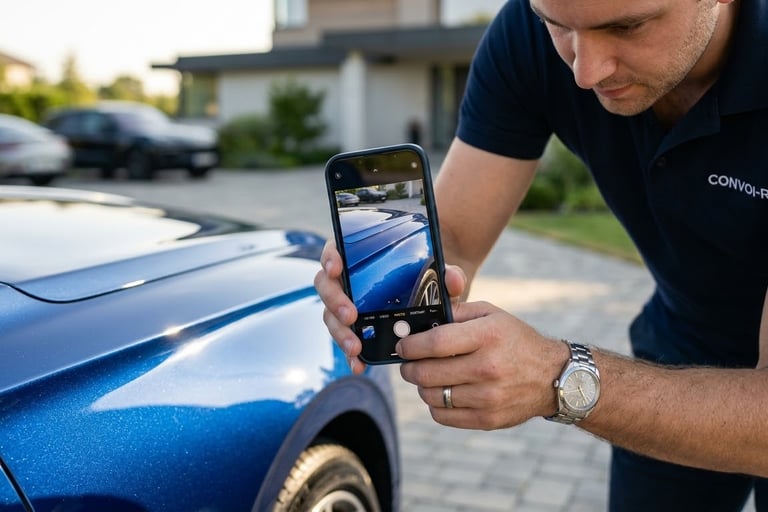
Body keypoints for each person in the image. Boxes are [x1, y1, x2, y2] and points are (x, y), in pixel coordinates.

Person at [314, 0, 768, 510]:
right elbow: (456, 242)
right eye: (557, 25)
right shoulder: (528, 35)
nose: (585, 71)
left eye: (628, 26)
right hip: (681, 344)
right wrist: (389, 276)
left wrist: (560, 376)